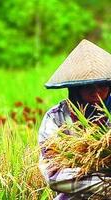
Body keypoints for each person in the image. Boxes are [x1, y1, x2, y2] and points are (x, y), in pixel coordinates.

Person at [38, 39, 111, 199]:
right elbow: (54, 176)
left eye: (102, 86)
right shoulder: (56, 118)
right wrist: (106, 185)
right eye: (88, 87)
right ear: (75, 89)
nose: (96, 93)